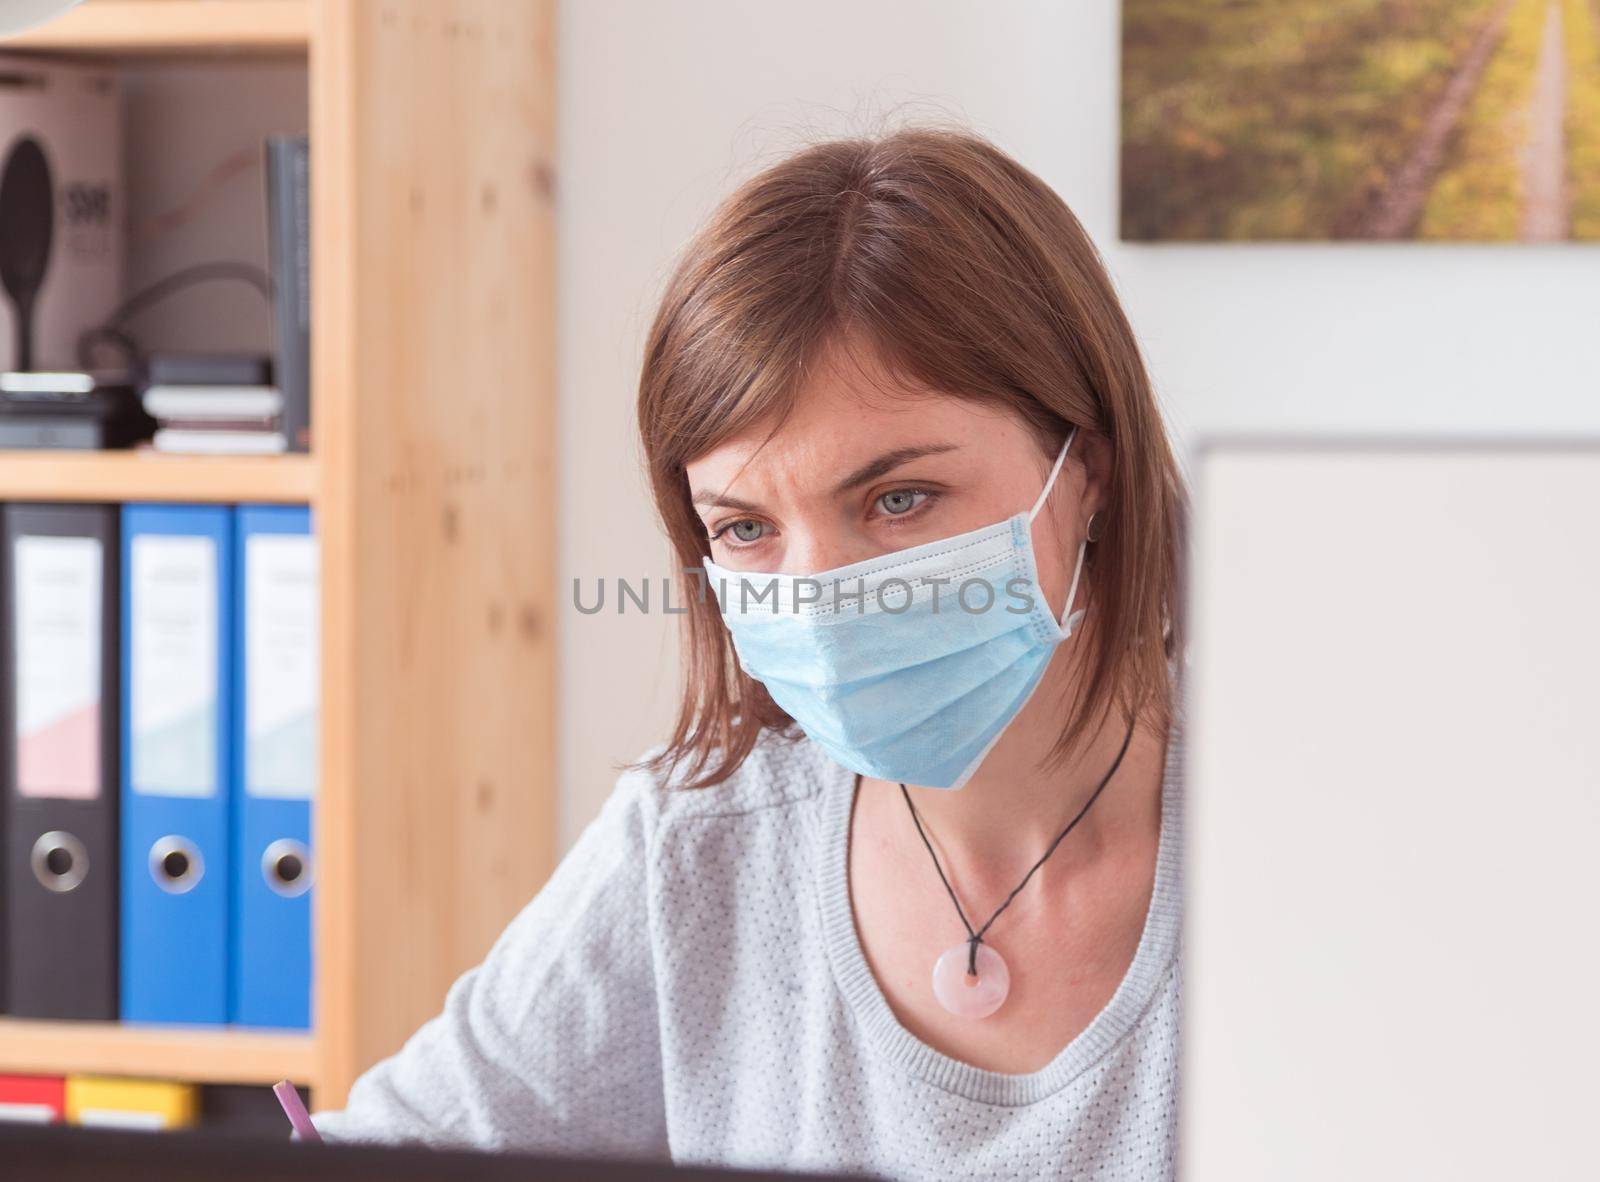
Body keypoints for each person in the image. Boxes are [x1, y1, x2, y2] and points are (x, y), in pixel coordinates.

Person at [311, 125, 1189, 1182]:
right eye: (744, 529)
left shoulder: (1310, 844)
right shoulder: (696, 845)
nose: (814, 596)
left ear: (1085, 471)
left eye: (898, 498)